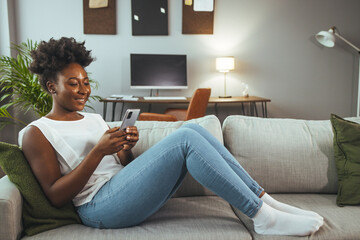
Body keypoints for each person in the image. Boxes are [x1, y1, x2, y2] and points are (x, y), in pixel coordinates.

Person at [19, 37, 324, 236]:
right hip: (97, 208)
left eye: (86, 81)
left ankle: (265, 201)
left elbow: (124, 169)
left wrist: (125, 148)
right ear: (51, 87)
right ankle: (261, 216)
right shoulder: (37, 133)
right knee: (186, 138)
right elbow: (56, 196)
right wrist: (97, 152)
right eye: (73, 83)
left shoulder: (94, 118)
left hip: (120, 190)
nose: (84, 89)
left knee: (191, 128)